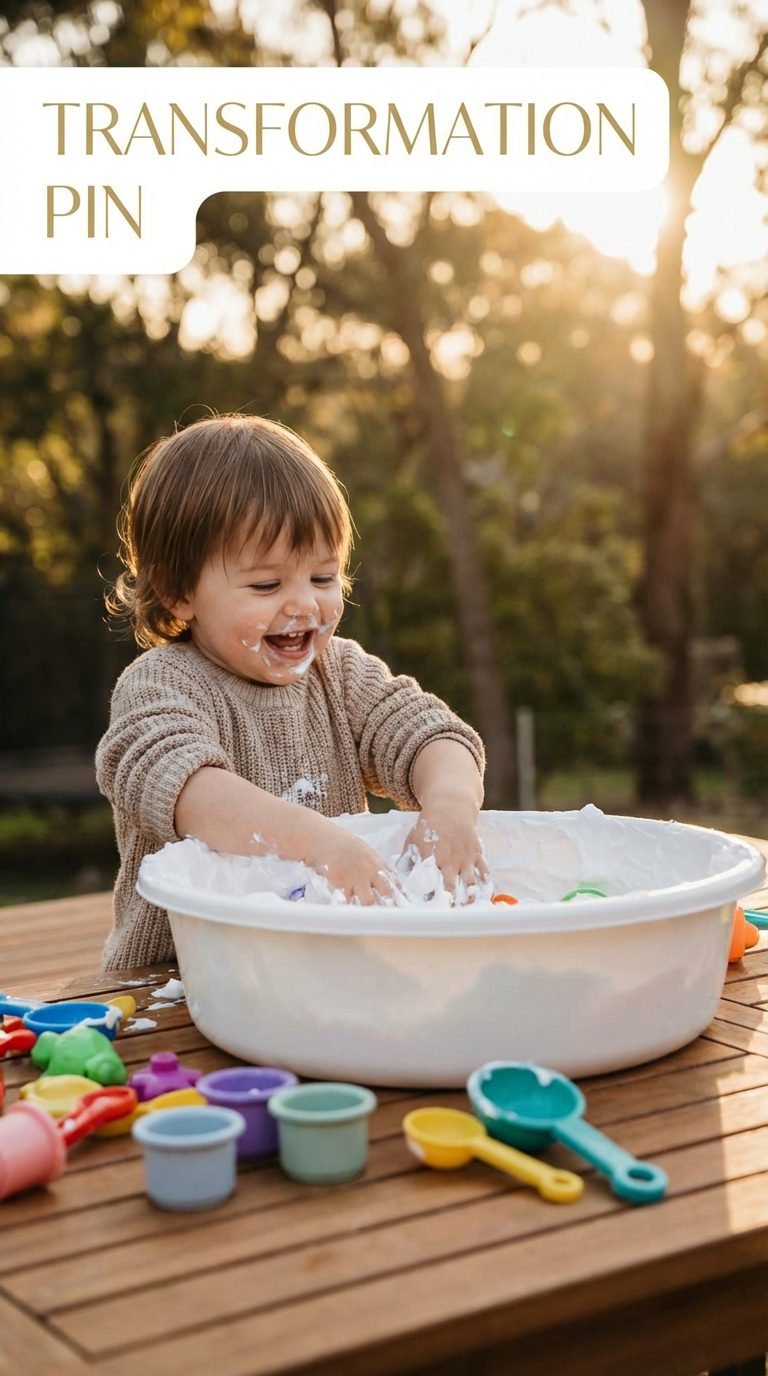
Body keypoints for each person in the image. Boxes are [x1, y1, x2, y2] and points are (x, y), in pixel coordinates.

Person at [96, 413, 486, 970]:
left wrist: (448, 808)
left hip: (327, 972)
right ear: (178, 592)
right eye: (266, 584)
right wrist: (321, 844)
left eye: (323, 578)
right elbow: (189, 791)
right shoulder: (159, 686)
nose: (305, 604)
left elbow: (430, 733)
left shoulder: (340, 674)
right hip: (182, 980)